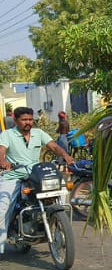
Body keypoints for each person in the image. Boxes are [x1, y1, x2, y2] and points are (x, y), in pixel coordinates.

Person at [0, 107, 74, 255]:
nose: (28, 123)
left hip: (35, 175)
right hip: (14, 176)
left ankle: (58, 226)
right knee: (2, 208)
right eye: (24, 120)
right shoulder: (7, 135)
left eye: (30, 119)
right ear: (15, 120)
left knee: (61, 192)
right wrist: (3, 161)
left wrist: (66, 156)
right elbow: (1, 151)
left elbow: (53, 146)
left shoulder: (38, 133)